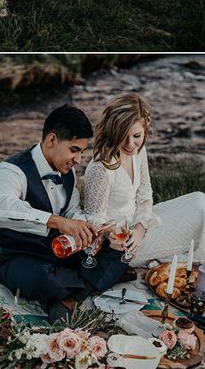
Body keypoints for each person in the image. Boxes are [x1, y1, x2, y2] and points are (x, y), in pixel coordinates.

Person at [0, 105, 128, 318]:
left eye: (82, 151)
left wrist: (87, 227)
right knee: (44, 279)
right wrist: (56, 222)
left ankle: (66, 297)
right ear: (52, 140)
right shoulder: (11, 170)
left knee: (118, 250)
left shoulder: (67, 173)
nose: (79, 159)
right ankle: (88, 283)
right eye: (74, 150)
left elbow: (71, 211)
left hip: (56, 250)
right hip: (17, 254)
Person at [83, 92, 205, 265]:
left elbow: (145, 194)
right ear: (113, 131)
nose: (130, 144)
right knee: (199, 220)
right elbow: (94, 219)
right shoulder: (100, 168)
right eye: (123, 136)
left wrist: (141, 228)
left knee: (200, 200)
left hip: (141, 223)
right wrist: (112, 233)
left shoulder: (138, 151)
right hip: (121, 244)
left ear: (144, 130)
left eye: (137, 136)